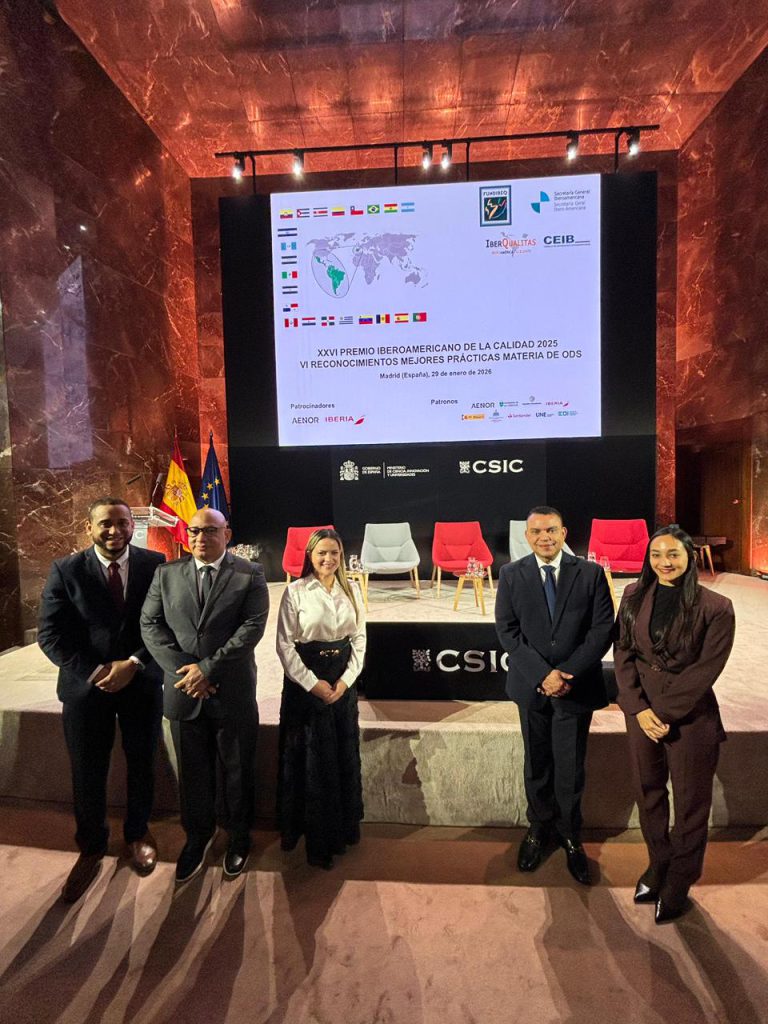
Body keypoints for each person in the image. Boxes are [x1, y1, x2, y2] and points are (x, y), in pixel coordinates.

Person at [38, 497, 165, 903]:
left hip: (140, 683)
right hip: (86, 688)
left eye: (122, 523)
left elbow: (165, 624)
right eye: (105, 523)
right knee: (87, 769)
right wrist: (96, 672)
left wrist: (133, 663)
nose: (115, 530)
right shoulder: (66, 569)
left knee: (142, 761)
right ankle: (91, 846)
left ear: (132, 526)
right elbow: (50, 635)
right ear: (89, 527)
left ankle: (137, 833)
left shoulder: (156, 564)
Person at [140, 507, 269, 883]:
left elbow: (251, 628)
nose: (200, 537)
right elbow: (150, 624)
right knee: (192, 774)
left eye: (210, 530)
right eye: (194, 531)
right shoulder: (165, 574)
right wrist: (187, 670)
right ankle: (196, 837)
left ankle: (239, 837)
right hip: (183, 690)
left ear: (226, 534)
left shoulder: (250, 574)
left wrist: (207, 670)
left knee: (237, 771)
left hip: (232, 690)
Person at [614, 525, 735, 923]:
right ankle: (658, 862)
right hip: (641, 713)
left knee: (690, 802)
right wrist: (637, 708)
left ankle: (681, 878)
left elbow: (705, 670)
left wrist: (663, 714)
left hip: (690, 715)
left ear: (689, 557)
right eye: (656, 555)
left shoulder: (717, 607)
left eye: (673, 555)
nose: (664, 562)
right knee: (648, 791)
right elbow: (624, 653)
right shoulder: (633, 595)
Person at [495, 505, 614, 885]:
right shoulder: (511, 574)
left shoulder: (591, 573)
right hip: (532, 687)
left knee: (570, 766)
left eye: (551, 530)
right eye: (536, 532)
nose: (544, 537)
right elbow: (508, 631)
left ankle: (570, 834)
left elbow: (602, 630)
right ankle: (538, 828)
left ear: (564, 533)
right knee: (537, 763)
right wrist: (543, 675)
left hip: (575, 687)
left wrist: (567, 673)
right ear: (527, 537)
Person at [275, 528, 366, 869]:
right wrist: (313, 685)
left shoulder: (352, 589)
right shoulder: (295, 591)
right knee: (311, 764)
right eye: (321, 553)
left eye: (335, 553)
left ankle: (343, 830)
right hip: (307, 686)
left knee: (341, 757)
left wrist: (345, 682)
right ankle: (315, 839)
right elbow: (285, 645)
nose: (329, 559)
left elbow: (359, 639)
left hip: (341, 685)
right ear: (310, 556)